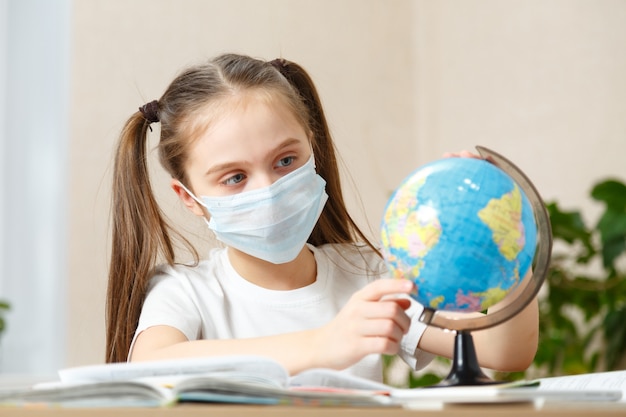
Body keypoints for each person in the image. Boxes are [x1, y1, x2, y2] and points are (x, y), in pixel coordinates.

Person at [106, 53, 538, 382]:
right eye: (235, 177)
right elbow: (152, 365)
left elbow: (503, 350)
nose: (269, 191)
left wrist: (500, 230)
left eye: (286, 160)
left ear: (312, 148)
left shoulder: (368, 278)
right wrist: (325, 343)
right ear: (189, 197)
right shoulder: (187, 292)